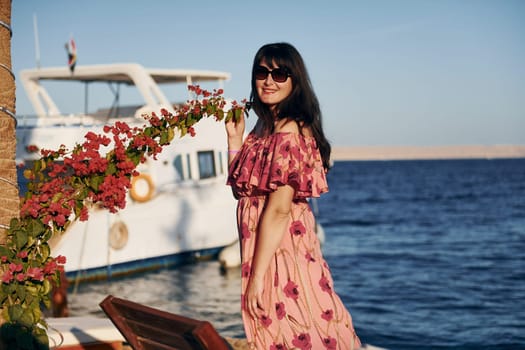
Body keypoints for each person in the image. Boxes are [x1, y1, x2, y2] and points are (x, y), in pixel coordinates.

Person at [226, 42, 361, 350]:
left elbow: (279, 211)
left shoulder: (290, 131)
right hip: (262, 247)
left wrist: (257, 276)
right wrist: (234, 139)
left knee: (298, 324)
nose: (269, 80)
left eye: (280, 73)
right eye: (262, 72)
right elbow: (241, 191)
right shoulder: (262, 127)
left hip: (282, 249)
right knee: (274, 327)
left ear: (295, 80)